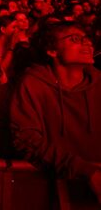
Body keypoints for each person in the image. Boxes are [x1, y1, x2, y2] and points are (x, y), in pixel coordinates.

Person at [11, 22, 101, 203]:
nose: (87, 44)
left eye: (87, 39)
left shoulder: (98, 83)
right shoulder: (33, 84)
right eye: (75, 39)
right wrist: (83, 169)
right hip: (53, 191)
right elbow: (27, 139)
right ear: (51, 51)